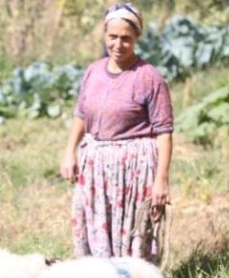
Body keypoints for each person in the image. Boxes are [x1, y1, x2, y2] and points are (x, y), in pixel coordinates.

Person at [59, 2, 173, 262]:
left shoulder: (149, 78)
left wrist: (161, 179)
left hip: (133, 171)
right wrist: (69, 152)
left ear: (136, 39)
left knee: (132, 234)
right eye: (112, 37)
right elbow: (80, 114)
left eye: (126, 38)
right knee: (94, 230)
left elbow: (164, 132)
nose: (118, 44)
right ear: (104, 35)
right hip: (96, 167)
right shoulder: (93, 72)